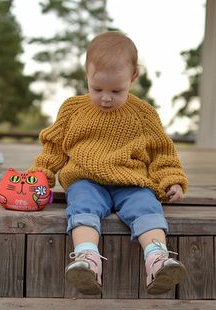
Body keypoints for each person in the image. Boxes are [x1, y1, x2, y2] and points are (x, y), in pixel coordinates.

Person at [29, 31, 188, 295]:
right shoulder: (73, 109)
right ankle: (87, 260)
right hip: (86, 179)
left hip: (131, 180)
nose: (105, 97)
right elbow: (54, 147)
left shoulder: (143, 114)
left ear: (132, 77)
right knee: (82, 207)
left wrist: (171, 179)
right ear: (87, 76)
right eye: (97, 89)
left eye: (117, 90)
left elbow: (162, 152)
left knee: (147, 206)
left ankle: (157, 259)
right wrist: (41, 175)